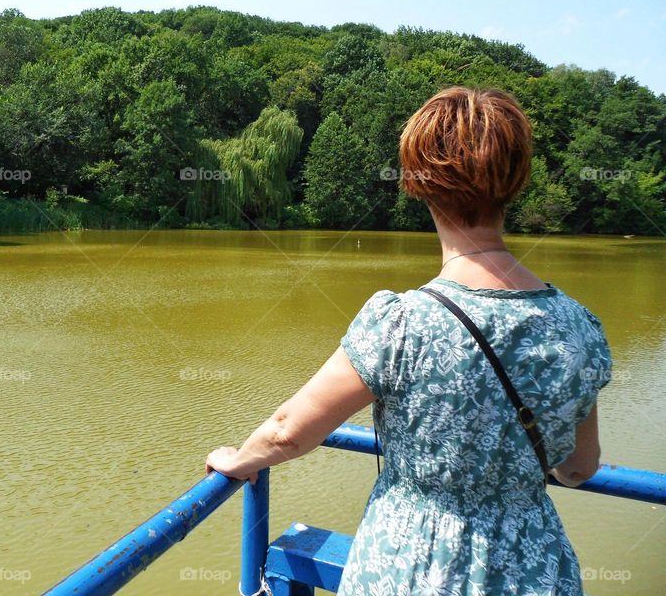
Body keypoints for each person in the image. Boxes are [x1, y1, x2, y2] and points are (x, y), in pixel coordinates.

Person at [205, 87, 612, 595]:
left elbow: (289, 432)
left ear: (420, 185)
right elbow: (578, 468)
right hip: (536, 570)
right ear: (516, 181)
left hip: (413, 566)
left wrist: (240, 459)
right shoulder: (578, 325)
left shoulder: (401, 322)